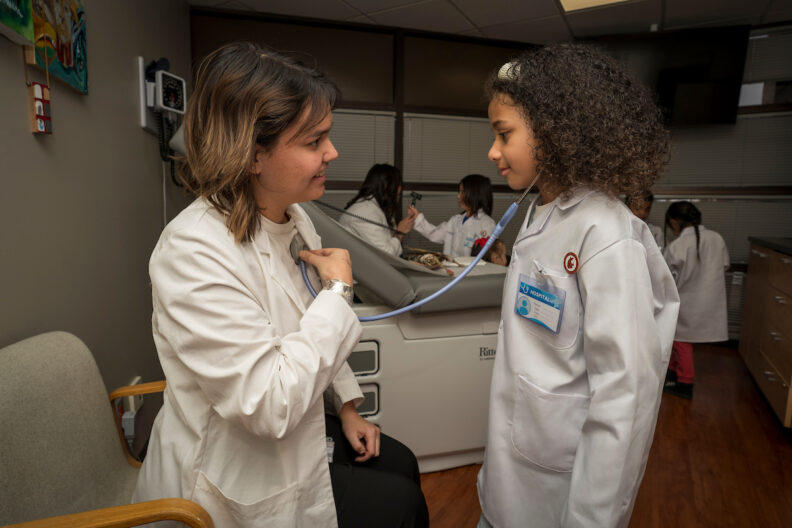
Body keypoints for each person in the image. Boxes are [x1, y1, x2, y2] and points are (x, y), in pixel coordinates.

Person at [132, 42, 427, 528]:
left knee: (403, 463)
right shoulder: (192, 252)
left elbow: (308, 326)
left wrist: (349, 407)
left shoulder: (296, 219)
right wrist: (338, 295)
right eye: (314, 142)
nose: (332, 152)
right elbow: (268, 403)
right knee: (403, 507)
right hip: (231, 478)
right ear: (252, 155)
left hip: (297, 431)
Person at [477, 43, 680, 528]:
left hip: (561, 493)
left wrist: (592, 518)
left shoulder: (605, 232)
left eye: (503, 134)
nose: (493, 151)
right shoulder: (539, 211)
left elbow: (625, 396)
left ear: (552, 131)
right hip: (512, 472)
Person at [662, 201, 730, 400]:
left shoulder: (678, 245)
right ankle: (673, 374)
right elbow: (724, 265)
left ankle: (685, 384)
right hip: (708, 301)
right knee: (677, 341)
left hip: (686, 302)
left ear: (674, 221)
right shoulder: (717, 238)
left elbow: (666, 276)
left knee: (680, 342)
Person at [408, 174, 496, 257]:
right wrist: (417, 217)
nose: (458, 196)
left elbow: (485, 257)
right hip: (449, 271)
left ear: (475, 194)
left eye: (462, 192)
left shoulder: (487, 224)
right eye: (459, 191)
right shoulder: (455, 220)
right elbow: (434, 233)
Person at [339, 163, 416, 256]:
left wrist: (402, 227)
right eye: (398, 184)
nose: (400, 189)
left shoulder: (376, 206)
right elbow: (387, 255)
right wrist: (401, 232)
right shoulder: (366, 213)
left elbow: (388, 238)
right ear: (389, 187)